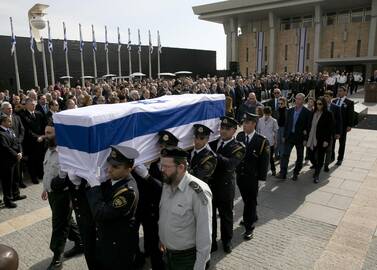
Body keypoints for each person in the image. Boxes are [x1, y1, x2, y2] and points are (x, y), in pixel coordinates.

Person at [86, 145, 139, 269]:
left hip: (118, 249)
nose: (109, 170)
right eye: (109, 164)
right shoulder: (114, 180)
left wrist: (95, 187)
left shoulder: (127, 192)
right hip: (106, 242)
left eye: (116, 167)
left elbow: (101, 213)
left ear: (129, 169)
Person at [158, 147, 212, 270]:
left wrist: (199, 266)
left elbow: (205, 235)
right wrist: (163, 238)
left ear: (181, 167)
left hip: (187, 259)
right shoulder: (167, 184)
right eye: (162, 165)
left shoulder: (198, 192)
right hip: (167, 254)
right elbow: (165, 215)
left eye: (166, 166)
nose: (162, 170)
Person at [41, 123, 83, 270]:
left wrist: (56, 184)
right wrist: (45, 188)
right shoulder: (49, 149)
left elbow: (67, 177)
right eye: (46, 133)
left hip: (64, 195)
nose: (46, 136)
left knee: (59, 225)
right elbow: (47, 170)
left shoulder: (65, 153)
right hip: (52, 194)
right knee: (66, 220)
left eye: (50, 133)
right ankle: (81, 243)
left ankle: (57, 258)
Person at [209, 116, 245, 253]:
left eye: (227, 129)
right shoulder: (212, 142)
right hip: (211, 186)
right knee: (210, 216)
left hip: (225, 187)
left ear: (234, 130)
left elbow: (230, 165)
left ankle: (227, 241)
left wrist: (213, 154)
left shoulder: (238, 147)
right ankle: (212, 241)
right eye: (222, 128)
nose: (223, 131)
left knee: (226, 216)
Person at [236, 113, 269, 240]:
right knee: (246, 200)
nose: (244, 125)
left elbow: (264, 162)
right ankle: (252, 216)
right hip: (241, 176)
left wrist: (262, 179)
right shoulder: (239, 137)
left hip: (253, 178)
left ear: (254, 124)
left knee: (250, 202)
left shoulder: (261, 141)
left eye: (247, 123)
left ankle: (249, 227)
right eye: (244, 122)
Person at [277, 93, 311, 181]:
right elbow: (287, 124)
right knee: (285, 155)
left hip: (300, 138)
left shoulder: (307, 112)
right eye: (296, 98)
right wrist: (284, 136)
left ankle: (296, 173)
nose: (297, 100)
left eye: (299, 99)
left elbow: (308, 127)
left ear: (303, 100)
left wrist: (305, 139)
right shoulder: (290, 110)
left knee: (299, 156)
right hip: (289, 136)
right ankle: (283, 173)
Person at [0, 114, 27, 208]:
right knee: (7, 181)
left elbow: (17, 142)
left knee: (16, 177)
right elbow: (5, 147)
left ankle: (16, 195)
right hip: (7, 161)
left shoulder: (10, 130)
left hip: (16, 159)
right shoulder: (1, 133)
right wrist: (16, 155)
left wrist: (20, 152)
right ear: (3, 122)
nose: (11, 123)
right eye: (9, 121)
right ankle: (8, 200)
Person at [306, 97, 335, 183]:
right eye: (317, 104)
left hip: (322, 139)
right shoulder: (313, 112)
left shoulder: (328, 114)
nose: (318, 106)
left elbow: (330, 128)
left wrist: (327, 140)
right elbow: (309, 125)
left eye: (320, 104)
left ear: (324, 105)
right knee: (311, 155)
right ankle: (316, 166)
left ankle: (317, 174)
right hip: (311, 138)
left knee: (320, 157)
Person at [19, 98, 46, 184]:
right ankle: (33, 177)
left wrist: (42, 136)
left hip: (41, 140)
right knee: (32, 161)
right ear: (26, 105)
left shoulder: (39, 114)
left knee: (40, 159)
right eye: (31, 104)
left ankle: (41, 174)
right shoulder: (23, 115)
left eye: (34, 104)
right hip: (30, 142)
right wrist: (37, 137)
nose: (33, 106)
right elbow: (26, 130)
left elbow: (43, 126)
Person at [1, 102, 25, 188]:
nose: (10, 110)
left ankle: (17, 189)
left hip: (18, 146)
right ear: (3, 109)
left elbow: (22, 129)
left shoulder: (16, 117)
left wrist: (19, 141)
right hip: (7, 152)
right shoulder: (1, 120)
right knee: (8, 176)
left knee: (17, 171)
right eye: (8, 108)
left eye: (11, 108)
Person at [332, 86, 354, 166]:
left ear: (345, 92)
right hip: (334, 126)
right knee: (332, 142)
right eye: (338, 91)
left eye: (341, 91)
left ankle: (340, 158)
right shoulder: (334, 101)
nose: (339, 92)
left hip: (343, 126)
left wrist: (349, 125)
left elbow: (351, 115)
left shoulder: (349, 102)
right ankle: (332, 156)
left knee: (342, 143)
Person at [323, 91, 342, 172]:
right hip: (321, 131)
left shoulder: (336, 107)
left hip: (331, 132)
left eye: (327, 96)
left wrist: (338, 133)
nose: (325, 98)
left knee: (329, 149)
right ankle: (317, 163)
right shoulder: (321, 106)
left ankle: (326, 164)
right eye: (324, 96)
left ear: (331, 97)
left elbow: (339, 121)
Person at [257, 107, 278, 176]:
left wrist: (275, 142)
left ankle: (273, 170)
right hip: (261, 141)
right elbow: (258, 131)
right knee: (261, 157)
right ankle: (261, 170)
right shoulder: (260, 120)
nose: (266, 116)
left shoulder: (274, 121)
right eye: (265, 114)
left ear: (270, 113)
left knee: (270, 157)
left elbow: (275, 132)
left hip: (270, 141)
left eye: (268, 114)